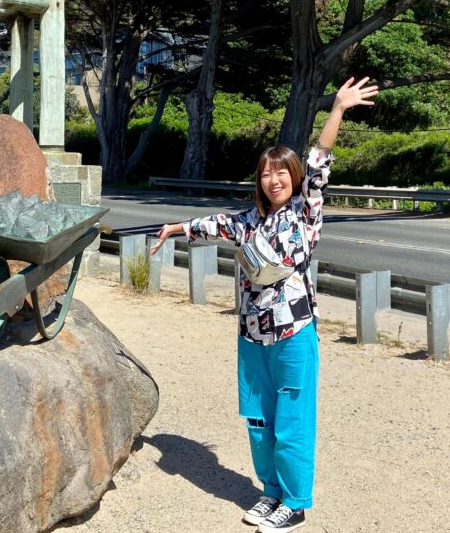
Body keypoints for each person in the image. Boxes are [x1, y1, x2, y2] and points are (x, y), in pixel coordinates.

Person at [151, 76, 379, 533]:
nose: (273, 180)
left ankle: (294, 502)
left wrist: (336, 110)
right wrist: (175, 228)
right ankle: (270, 491)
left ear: (293, 178)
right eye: (266, 173)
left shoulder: (305, 211)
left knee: (292, 420)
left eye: (281, 172)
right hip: (252, 335)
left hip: (293, 335)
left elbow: (320, 162)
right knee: (258, 418)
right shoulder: (249, 220)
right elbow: (214, 225)